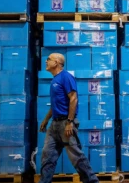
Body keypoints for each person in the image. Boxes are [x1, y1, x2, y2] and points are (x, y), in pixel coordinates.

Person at [39, 53, 99, 183]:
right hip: (54, 125)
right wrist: (46, 120)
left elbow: (73, 98)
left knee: (76, 157)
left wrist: (70, 122)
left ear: (56, 62)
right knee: (47, 156)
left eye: (48, 59)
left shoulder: (66, 77)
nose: (46, 61)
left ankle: (92, 181)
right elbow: (56, 105)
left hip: (65, 124)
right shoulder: (54, 80)